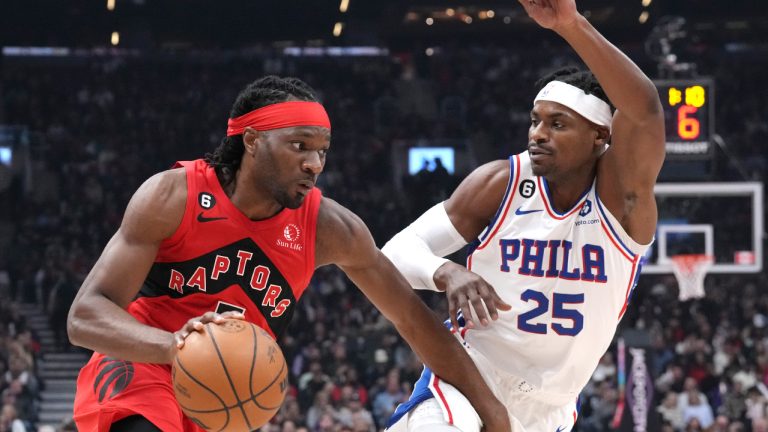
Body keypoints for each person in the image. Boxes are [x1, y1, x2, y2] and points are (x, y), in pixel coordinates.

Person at [67, 76, 510, 432]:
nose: (315, 164)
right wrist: (174, 348)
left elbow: (414, 320)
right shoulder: (173, 196)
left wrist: (493, 412)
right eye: (300, 146)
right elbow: (85, 315)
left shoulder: (331, 228)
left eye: (322, 151)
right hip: (142, 364)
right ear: (253, 140)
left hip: (226, 392)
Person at [382, 1, 665, 431]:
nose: (538, 133)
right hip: (467, 379)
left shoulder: (622, 204)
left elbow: (644, 110)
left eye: (557, 123)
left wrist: (570, 25)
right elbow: (394, 253)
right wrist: (445, 272)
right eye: (535, 120)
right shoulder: (501, 182)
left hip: (550, 410)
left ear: (599, 137)